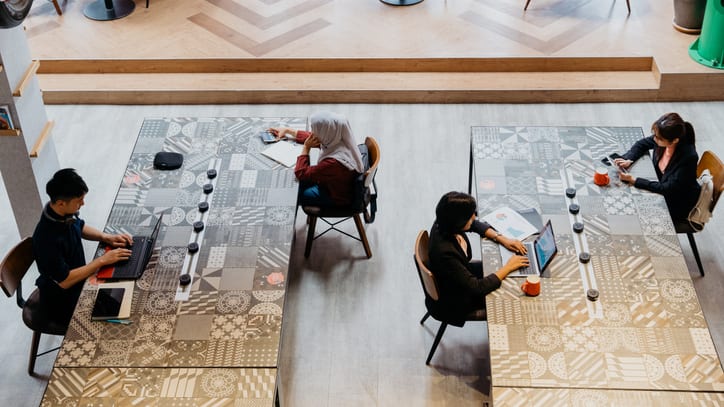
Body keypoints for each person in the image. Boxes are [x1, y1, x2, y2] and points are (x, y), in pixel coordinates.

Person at [32, 168, 133, 326]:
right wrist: (101, 261)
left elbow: (79, 226)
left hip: (80, 282)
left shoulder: (61, 214)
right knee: (124, 319)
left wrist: (105, 237)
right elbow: (64, 281)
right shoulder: (46, 239)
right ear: (60, 203)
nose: (83, 204)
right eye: (79, 201)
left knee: (129, 286)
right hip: (62, 300)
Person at [428, 192, 529, 321]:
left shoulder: (445, 221)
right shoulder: (445, 253)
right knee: (517, 301)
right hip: (456, 301)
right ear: (459, 222)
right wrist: (508, 267)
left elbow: (474, 225)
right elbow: (477, 288)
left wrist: (502, 239)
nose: (474, 217)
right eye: (470, 216)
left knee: (509, 275)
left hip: (459, 277)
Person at [614, 112, 701, 227]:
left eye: (658, 138)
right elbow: (642, 144)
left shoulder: (688, 157)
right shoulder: (663, 138)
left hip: (677, 202)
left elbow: (668, 189)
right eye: (654, 135)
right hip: (661, 187)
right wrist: (629, 159)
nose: (654, 139)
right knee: (622, 197)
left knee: (631, 210)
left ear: (675, 140)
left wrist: (635, 180)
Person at [270, 111, 365, 206]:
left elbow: (301, 173)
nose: (313, 132)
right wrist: (288, 131)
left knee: (296, 192)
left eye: (315, 130)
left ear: (325, 132)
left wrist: (306, 148)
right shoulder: (338, 137)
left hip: (336, 195)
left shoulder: (333, 163)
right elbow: (314, 139)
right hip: (339, 183)